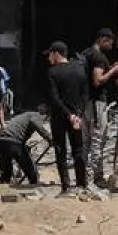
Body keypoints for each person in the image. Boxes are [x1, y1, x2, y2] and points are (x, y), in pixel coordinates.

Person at [80, 28, 118, 187]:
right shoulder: (98, 57)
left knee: (85, 141)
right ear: (102, 39)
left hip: (85, 103)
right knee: (98, 139)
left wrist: (110, 67)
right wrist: (113, 71)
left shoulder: (86, 53)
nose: (111, 45)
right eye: (110, 42)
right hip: (96, 103)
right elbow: (97, 80)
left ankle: (82, 176)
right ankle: (97, 178)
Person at [45, 42, 91, 193]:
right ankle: (81, 183)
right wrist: (78, 114)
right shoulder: (80, 69)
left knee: (60, 150)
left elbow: (54, 98)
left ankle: (66, 186)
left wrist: (68, 114)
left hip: (60, 117)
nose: (49, 58)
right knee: (78, 149)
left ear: (57, 54)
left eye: (50, 54)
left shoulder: (53, 72)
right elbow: (85, 95)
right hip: (77, 117)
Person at [0, 107, 52, 186]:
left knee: (7, 170)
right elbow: (36, 124)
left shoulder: (26, 115)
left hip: (2, 141)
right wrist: (50, 139)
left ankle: (2, 186)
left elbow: (20, 129)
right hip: (14, 141)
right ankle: (33, 185)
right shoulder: (37, 116)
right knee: (30, 169)